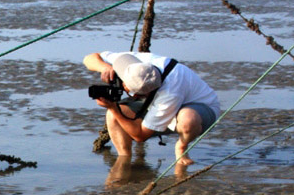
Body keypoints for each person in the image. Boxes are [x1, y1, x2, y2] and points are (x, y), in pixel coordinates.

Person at [84, 51, 220, 167]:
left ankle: (182, 147)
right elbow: (90, 58)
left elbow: (140, 136)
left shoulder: (169, 94)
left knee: (188, 119)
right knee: (113, 116)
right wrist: (105, 68)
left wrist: (114, 108)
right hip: (153, 101)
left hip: (200, 108)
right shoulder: (140, 64)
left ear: (136, 94)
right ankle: (124, 159)